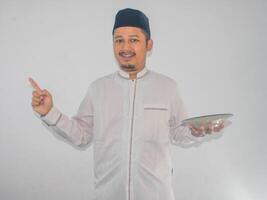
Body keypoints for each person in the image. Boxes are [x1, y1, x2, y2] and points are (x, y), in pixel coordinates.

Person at [29, 8, 224, 200]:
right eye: (119, 40)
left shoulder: (168, 87)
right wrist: (50, 113)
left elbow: (178, 133)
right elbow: (81, 135)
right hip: (108, 194)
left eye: (134, 40)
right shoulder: (98, 89)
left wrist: (196, 131)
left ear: (149, 45)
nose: (125, 47)